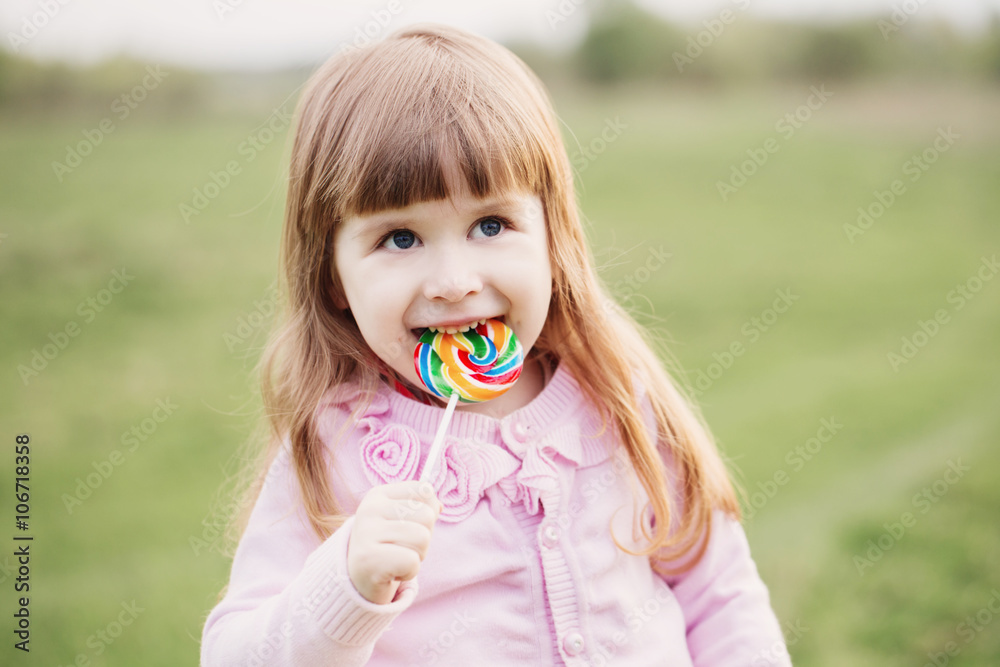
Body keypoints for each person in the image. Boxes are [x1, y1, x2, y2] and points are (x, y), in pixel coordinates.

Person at [200, 23, 791, 667]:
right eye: (400, 238)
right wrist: (342, 588)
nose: (455, 282)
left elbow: (720, 595)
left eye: (490, 224)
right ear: (333, 276)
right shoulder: (331, 445)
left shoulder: (614, 392)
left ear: (552, 239)